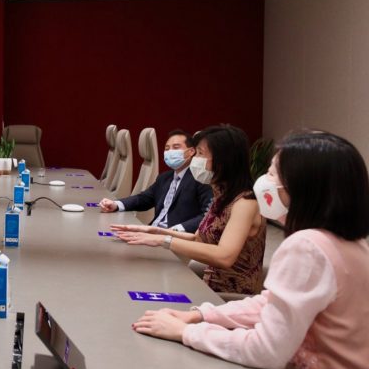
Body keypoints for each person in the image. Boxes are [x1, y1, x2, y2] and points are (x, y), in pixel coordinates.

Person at [131, 131, 369, 369]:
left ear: (302, 187)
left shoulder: (307, 248)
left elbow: (267, 350)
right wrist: (201, 314)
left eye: (271, 174)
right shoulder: (352, 243)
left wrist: (187, 332)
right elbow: (271, 302)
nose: (264, 182)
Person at [112, 125, 266, 295]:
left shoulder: (245, 202)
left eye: (200, 153)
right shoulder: (222, 196)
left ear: (223, 160)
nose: (195, 159)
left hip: (228, 298)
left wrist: (164, 241)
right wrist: (154, 231)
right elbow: (198, 238)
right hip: (207, 287)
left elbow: (224, 256)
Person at [100, 129, 212, 233]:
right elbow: (144, 199)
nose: (170, 152)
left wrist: (177, 230)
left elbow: (207, 216)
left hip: (174, 238)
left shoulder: (200, 179)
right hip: (153, 231)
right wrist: (116, 204)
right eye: (167, 149)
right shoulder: (164, 177)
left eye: (176, 147)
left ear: (191, 151)